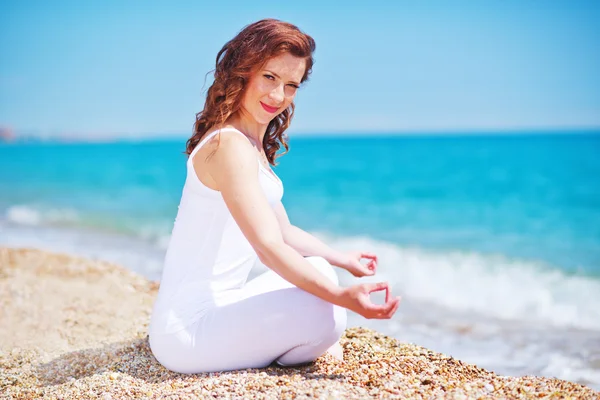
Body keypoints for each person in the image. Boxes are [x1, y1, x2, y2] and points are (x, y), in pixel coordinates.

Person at [148, 18, 401, 374]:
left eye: (291, 85)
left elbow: (283, 231)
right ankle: (295, 349)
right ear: (242, 71)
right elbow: (268, 248)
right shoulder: (229, 146)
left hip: (221, 307)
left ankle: (295, 340)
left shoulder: (249, 145)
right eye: (269, 77)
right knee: (325, 314)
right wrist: (341, 298)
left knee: (319, 268)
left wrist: (343, 259)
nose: (278, 96)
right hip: (187, 334)